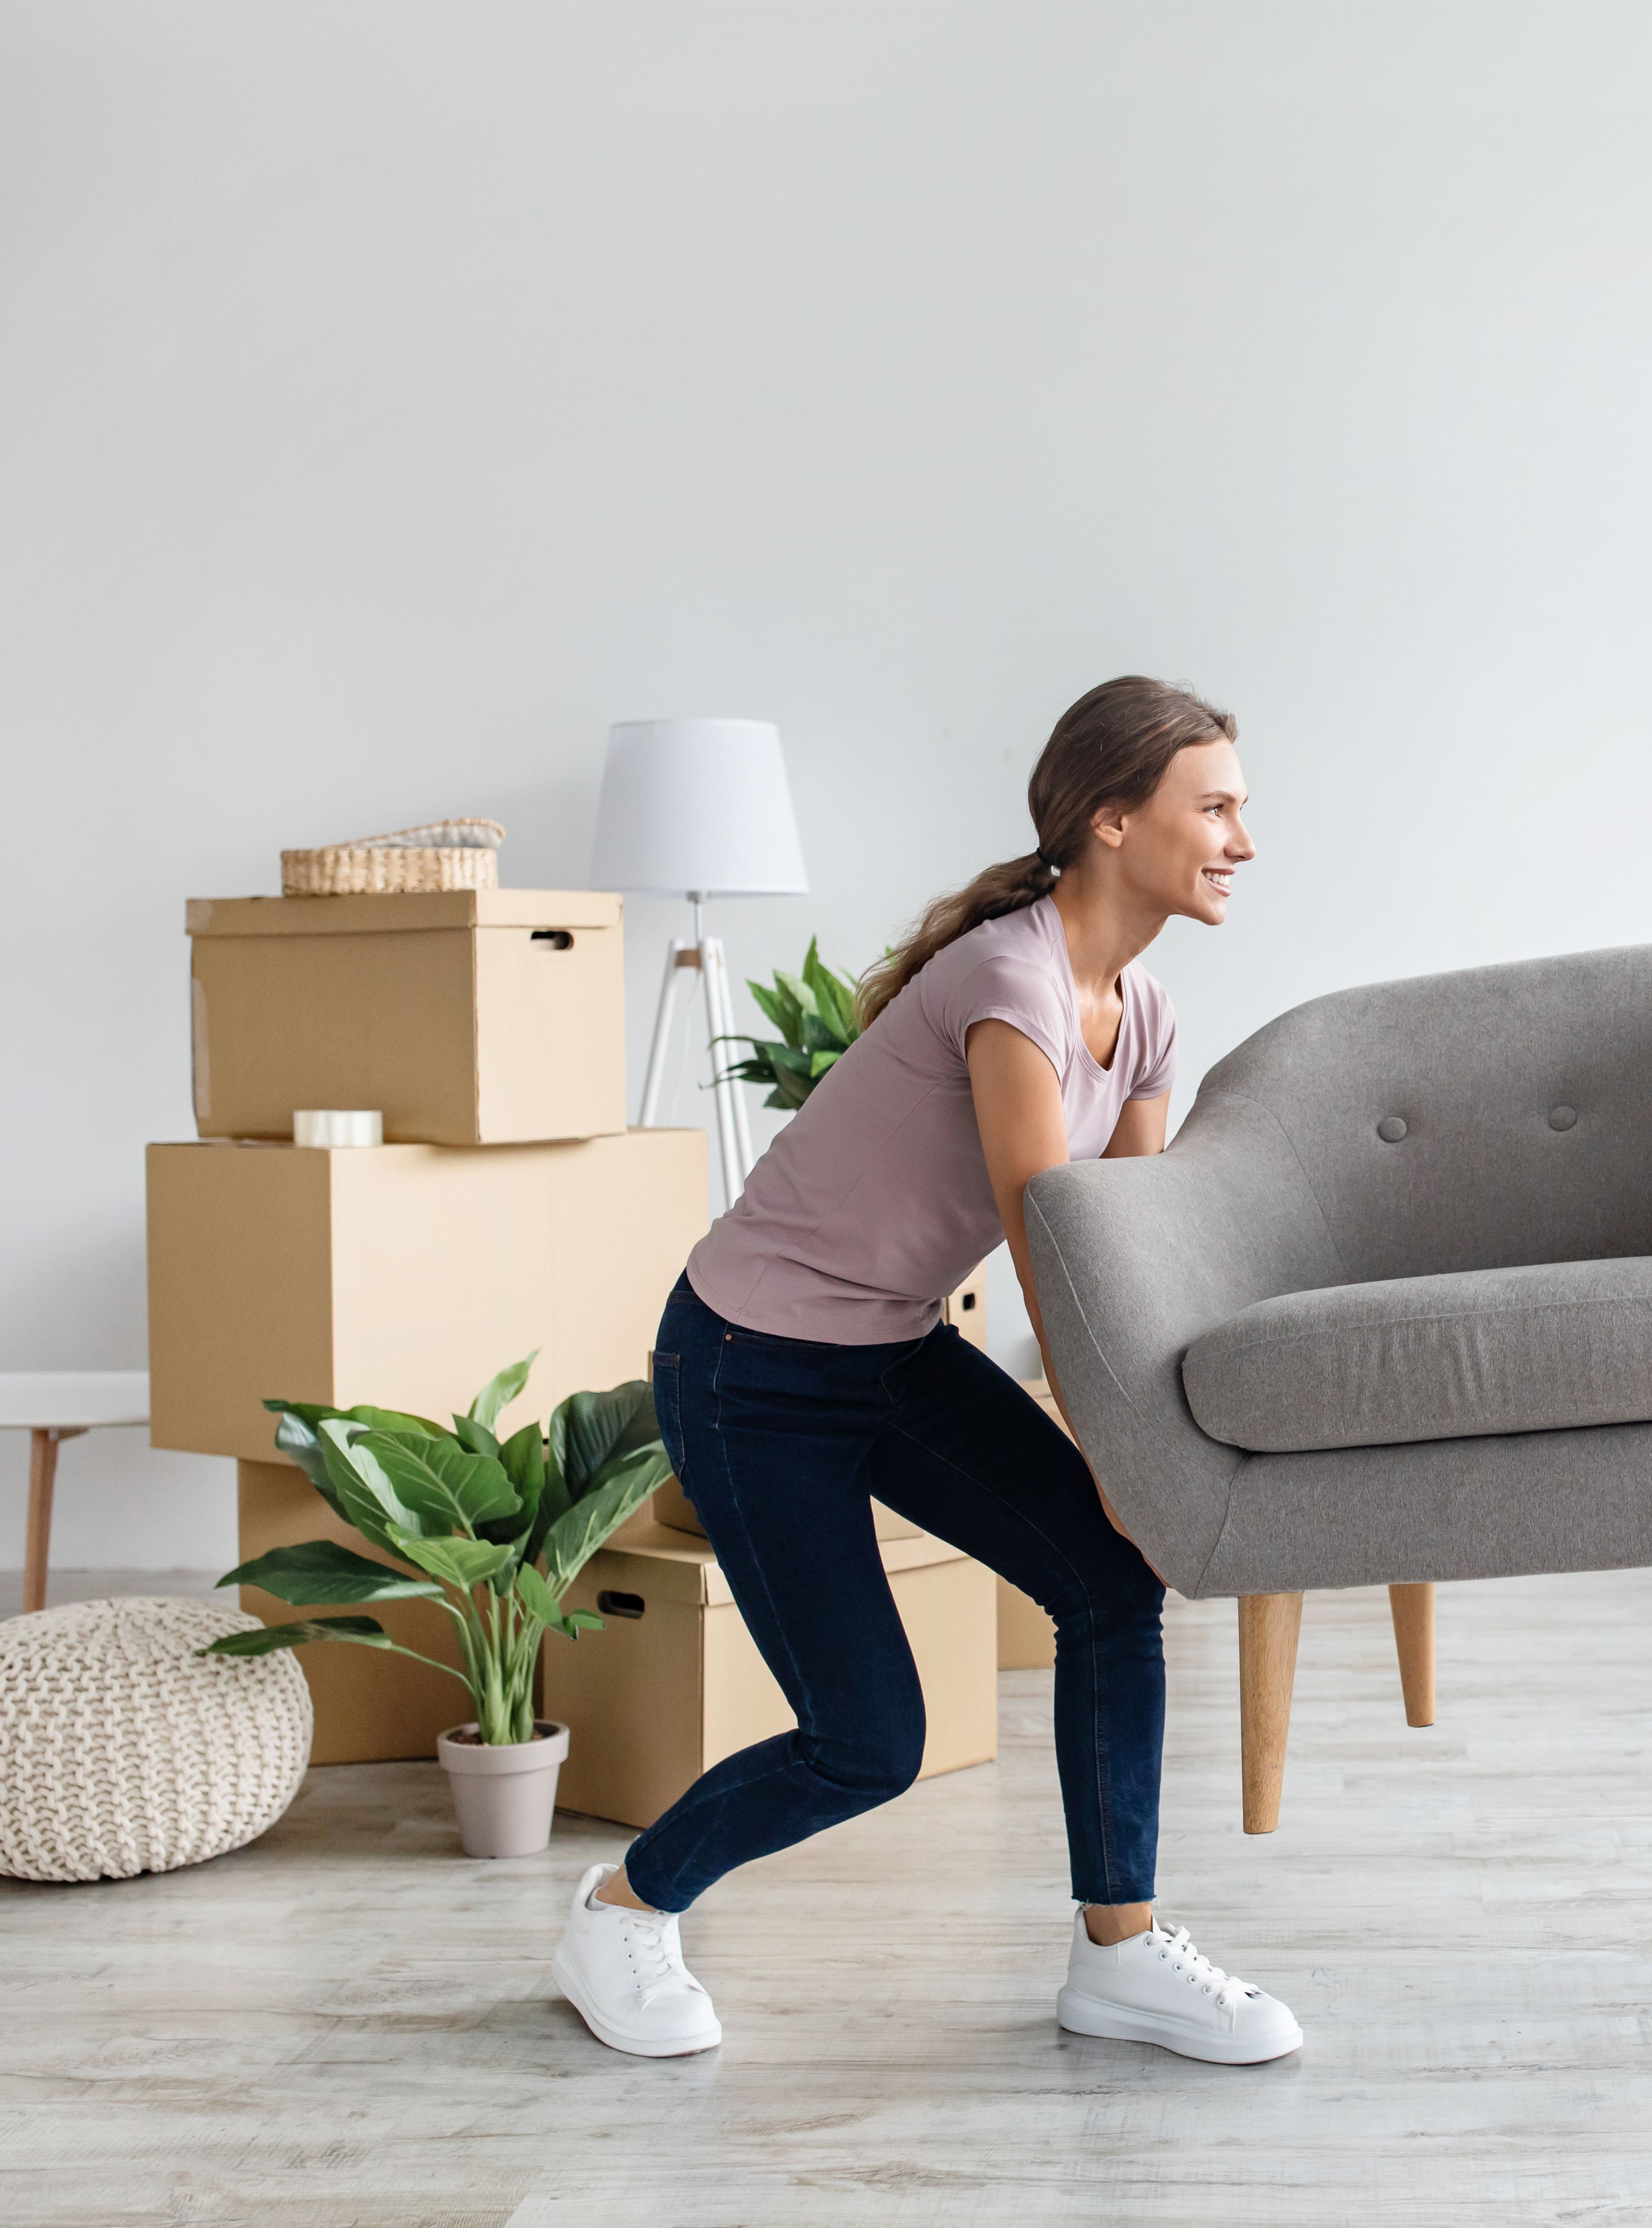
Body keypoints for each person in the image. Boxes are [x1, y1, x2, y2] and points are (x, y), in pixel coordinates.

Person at [550, 676, 1302, 2067]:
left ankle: (1121, 1956)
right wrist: (1128, 1455)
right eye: (1217, 807)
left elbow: (1131, 1252)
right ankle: (618, 1910)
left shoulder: (1141, 1013)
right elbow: (1051, 1251)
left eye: (1242, 809)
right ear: (1112, 819)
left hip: (891, 1348)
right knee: (868, 1741)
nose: (1244, 839)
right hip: (751, 1366)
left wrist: (1176, 1439)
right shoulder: (1007, 983)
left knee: (1110, 1585)